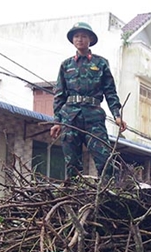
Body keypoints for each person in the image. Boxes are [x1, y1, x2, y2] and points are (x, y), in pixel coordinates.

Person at [50, 22, 127, 179]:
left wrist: (117, 115)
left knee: (105, 160)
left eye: (84, 36)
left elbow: (110, 91)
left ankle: (107, 195)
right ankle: (72, 197)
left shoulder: (100, 63)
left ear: (90, 39)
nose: (80, 39)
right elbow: (59, 94)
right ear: (72, 40)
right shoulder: (66, 65)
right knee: (72, 163)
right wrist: (57, 121)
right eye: (76, 36)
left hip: (94, 117)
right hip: (70, 118)